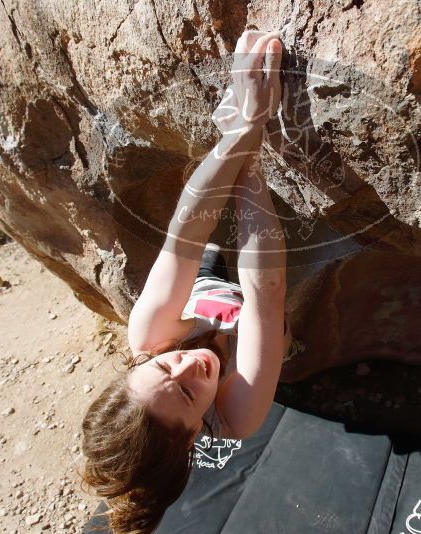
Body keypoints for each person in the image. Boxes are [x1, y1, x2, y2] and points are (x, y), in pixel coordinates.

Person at [79, 30, 295, 534]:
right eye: (186, 395)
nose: (188, 368)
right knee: (273, 326)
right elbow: (267, 295)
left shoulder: (150, 340)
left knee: (197, 267)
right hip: (246, 310)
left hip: (207, 292)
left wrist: (242, 129)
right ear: (197, 431)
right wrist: (254, 140)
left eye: (163, 370)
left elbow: (185, 234)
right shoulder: (237, 416)